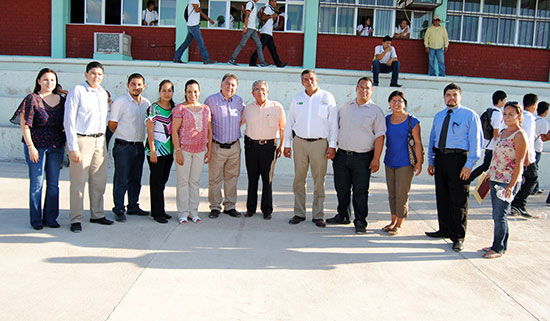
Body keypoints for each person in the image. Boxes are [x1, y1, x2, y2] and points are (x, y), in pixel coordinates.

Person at [426, 83, 482, 252]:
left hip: (459, 160)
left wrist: (469, 165)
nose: (451, 97)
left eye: (454, 94)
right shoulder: (439, 116)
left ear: (460, 96)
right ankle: (444, 229)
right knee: (442, 196)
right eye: (448, 94)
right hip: (441, 158)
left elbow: (476, 143)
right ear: (444, 97)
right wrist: (431, 161)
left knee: (458, 199)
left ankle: (458, 236)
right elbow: (432, 139)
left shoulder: (469, 115)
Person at [326, 77, 384, 234]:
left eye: (367, 88)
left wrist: (376, 159)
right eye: (361, 87)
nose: (364, 90)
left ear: (371, 91)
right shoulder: (345, 107)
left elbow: (380, 136)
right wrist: (331, 148)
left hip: (363, 158)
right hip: (342, 155)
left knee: (360, 190)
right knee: (342, 188)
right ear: (356, 88)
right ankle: (343, 215)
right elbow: (335, 129)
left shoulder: (376, 111)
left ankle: (360, 220)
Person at [10, 68, 65, 230]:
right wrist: (30, 147)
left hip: (56, 146)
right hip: (36, 146)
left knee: (54, 184)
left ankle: (51, 218)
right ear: (39, 81)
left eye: (53, 80)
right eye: (46, 80)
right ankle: (36, 220)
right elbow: (25, 125)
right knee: (37, 184)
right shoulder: (32, 99)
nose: (49, 83)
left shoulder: (62, 100)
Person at [284, 70, 338, 228]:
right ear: (302, 83)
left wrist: (333, 145)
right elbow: (289, 122)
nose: (309, 82)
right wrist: (287, 144)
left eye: (312, 79)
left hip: (319, 144)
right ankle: (299, 213)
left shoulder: (327, 97)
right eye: (306, 80)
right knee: (299, 180)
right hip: (299, 142)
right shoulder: (297, 98)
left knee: (318, 181)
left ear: (317, 79)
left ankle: (318, 215)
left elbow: (334, 123)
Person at [64, 61, 113, 233]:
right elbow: (69, 120)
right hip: (81, 140)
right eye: (93, 73)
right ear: (86, 74)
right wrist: (73, 147)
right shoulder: (77, 91)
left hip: (100, 140)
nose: (96, 77)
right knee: (78, 181)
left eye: (99, 74)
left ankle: (97, 214)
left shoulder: (102, 94)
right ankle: (76, 218)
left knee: (99, 180)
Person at [484, 102, 528, 259]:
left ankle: (498, 248)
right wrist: (490, 171)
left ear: (518, 115)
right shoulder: (502, 132)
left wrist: (512, 185)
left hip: (507, 180)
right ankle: (501, 244)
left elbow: (520, 162)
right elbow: (496, 155)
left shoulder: (520, 135)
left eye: (511, 114)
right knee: (497, 213)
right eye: (505, 114)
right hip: (495, 178)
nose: (507, 117)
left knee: (500, 214)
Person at [109, 73, 150, 223]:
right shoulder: (120, 102)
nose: (136, 87)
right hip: (123, 147)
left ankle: (133, 205)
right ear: (128, 85)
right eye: (133, 84)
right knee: (121, 179)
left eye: (139, 84)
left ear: (143, 86)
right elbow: (112, 124)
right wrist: (123, 135)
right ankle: (119, 209)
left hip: (138, 146)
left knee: (136, 179)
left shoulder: (146, 103)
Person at [241, 80, 286, 220]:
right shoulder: (247, 109)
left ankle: (267, 210)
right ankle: (250, 209)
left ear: (267, 91)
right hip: (251, 146)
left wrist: (282, 145)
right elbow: (238, 123)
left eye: (263, 89)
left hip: (269, 147)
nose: (260, 92)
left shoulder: (277, 107)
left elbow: (283, 128)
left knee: (268, 179)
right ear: (252, 93)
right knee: (252, 179)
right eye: (257, 89)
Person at [381, 91, 423, 235]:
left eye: (400, 101)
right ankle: (392, 221)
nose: (396, 104)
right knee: (391, 193)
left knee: (401, 194)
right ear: (389, 103)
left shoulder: (412, 121)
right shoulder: (386, 119)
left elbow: (418, 143)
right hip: (390, 161)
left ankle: (399, 224)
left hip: (405, 163)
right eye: (393, 101)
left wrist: (419, 162)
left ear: (404, 103)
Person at [204, 74, 245, 219]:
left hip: (234, 147)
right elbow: (206, 124)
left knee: (232, 177)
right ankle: (215, 206)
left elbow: (242, 119)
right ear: (221, 84)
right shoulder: (211, 100)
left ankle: (230, 206)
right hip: (217, 146)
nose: (230, 87)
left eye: (233, 85)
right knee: (215, 178)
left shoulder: (239, 101)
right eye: (227, 84)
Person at [172, 80, 212, 224]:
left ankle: (193, 211)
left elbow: (209, 131)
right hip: (184, 150)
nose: (192, 94)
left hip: (200, 150)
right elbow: (174, 131)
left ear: (199, 92)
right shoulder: (180, 109)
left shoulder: (206, 109)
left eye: (195, 91)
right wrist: (177, 151)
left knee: (195, 182)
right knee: (183, 182)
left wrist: (209, 150)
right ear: (185, 92)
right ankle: (182, 213)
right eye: (189, 92)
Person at [146, 80, 175, 224]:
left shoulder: (174, 108)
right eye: (164, 90)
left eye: (169, 90)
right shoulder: (153, 108)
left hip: (169, 151)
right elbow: (150, 130)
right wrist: (152, 150)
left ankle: (160, 209)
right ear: (159, 91)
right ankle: (157, 213)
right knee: (156, 181)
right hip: (156, 151)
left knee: (163, 181)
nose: (166, 93)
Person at [469, 90, 507, 183]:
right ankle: (468, 178)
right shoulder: (497, 114)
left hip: (489, 144)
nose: (505, 102)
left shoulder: (490, 111)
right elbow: (496, 131)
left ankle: (469, 179)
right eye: (504, 100)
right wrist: (499, 145)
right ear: (500, 100)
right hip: (493, 146)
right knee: (487, 166)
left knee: (487, 165)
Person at [510, 94, 538, 218]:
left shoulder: (519, 116)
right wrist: (528, 157)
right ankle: (519, 203)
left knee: (520, 179)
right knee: (532, 178)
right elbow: (527, 138)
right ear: (533, 105)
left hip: (517, 152)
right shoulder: (530, 118)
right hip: (526, 154)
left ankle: (516, 203)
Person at [228, 0, 270, 67]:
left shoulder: (254, 4)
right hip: (248, 28)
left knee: (259, 45)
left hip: (253, 29)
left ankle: (262, 62)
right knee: (242, 44)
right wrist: (245, 27)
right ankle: (232, 59)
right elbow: (247, 15)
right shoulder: (250, 3)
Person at [173, 0, 216, 64]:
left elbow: (199, 11)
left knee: (186, 43)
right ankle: (206, 59)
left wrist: (208, 19)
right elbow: (196, 10)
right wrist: (202, 7)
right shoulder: (194, 0)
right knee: (200, 42)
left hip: (193, 25)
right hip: (193, 25)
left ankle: (176, 58)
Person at [249, 0, 288, 68]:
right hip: (265, 32)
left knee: (272, 49)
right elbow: (263, 17)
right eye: (272, 1)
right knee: (261, 47)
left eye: (275, 1)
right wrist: (272, 16)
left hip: (269, 32)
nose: (274, 3)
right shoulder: (268, 8)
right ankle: (252, 61)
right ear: (269, 2)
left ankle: (278, 63)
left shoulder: (272, 10)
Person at [532, 101, 549, 194]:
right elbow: (543, 138)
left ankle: (535, 187)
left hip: (530, 146)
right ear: (546, 111)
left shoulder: (533, 119)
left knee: (532, 168)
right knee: (535, 168)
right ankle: (534, 187)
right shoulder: (543, 122)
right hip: (537, 147)